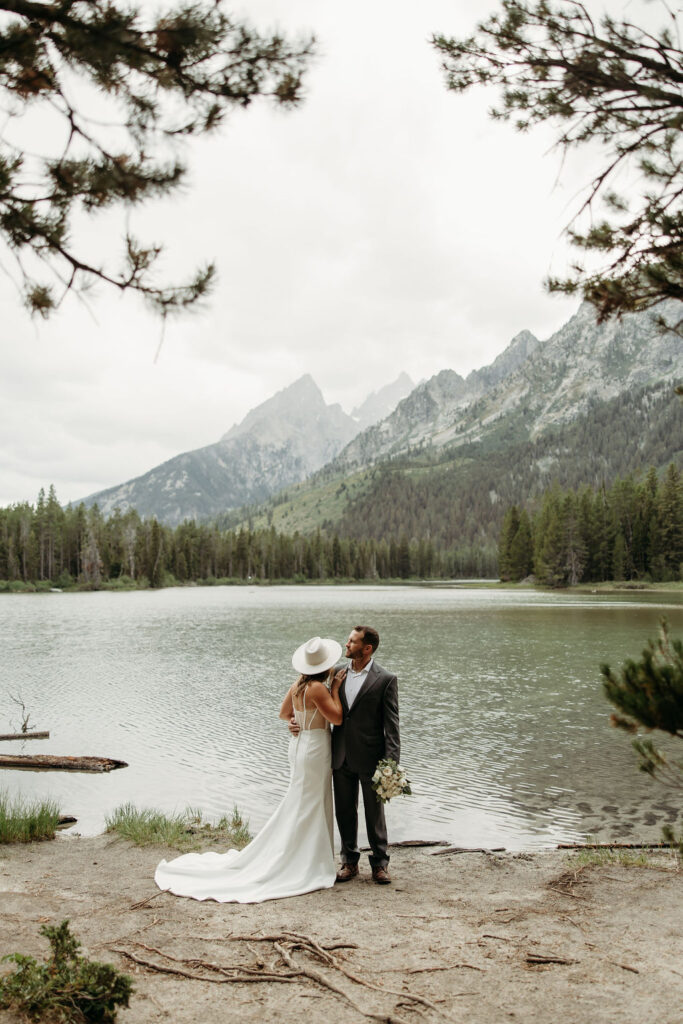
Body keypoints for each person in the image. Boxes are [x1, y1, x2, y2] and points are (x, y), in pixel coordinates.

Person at [154, 636, 344, 903]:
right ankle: (306, 860)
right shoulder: (318, 689)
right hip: (315, 747)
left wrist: (295, 720)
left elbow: (282, 713)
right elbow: (336, 717)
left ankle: (303, 852)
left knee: (302, 801)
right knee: (310, 802)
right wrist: (335, 688)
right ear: (326, 667)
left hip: (300, 745)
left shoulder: (298, 685)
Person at [289, 624, 400, 885]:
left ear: (367, 648)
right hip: (339, 756)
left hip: (372, 758)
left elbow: (392, 727)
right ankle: (349, 862)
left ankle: (380, 864)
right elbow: (313, 705)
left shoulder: (385, 679)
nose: (346, 645)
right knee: (344, 811)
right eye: (349, 640)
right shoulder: (336, 673)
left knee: (375, 814)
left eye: (352, 642)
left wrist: (392, 765)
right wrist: (296, 723)